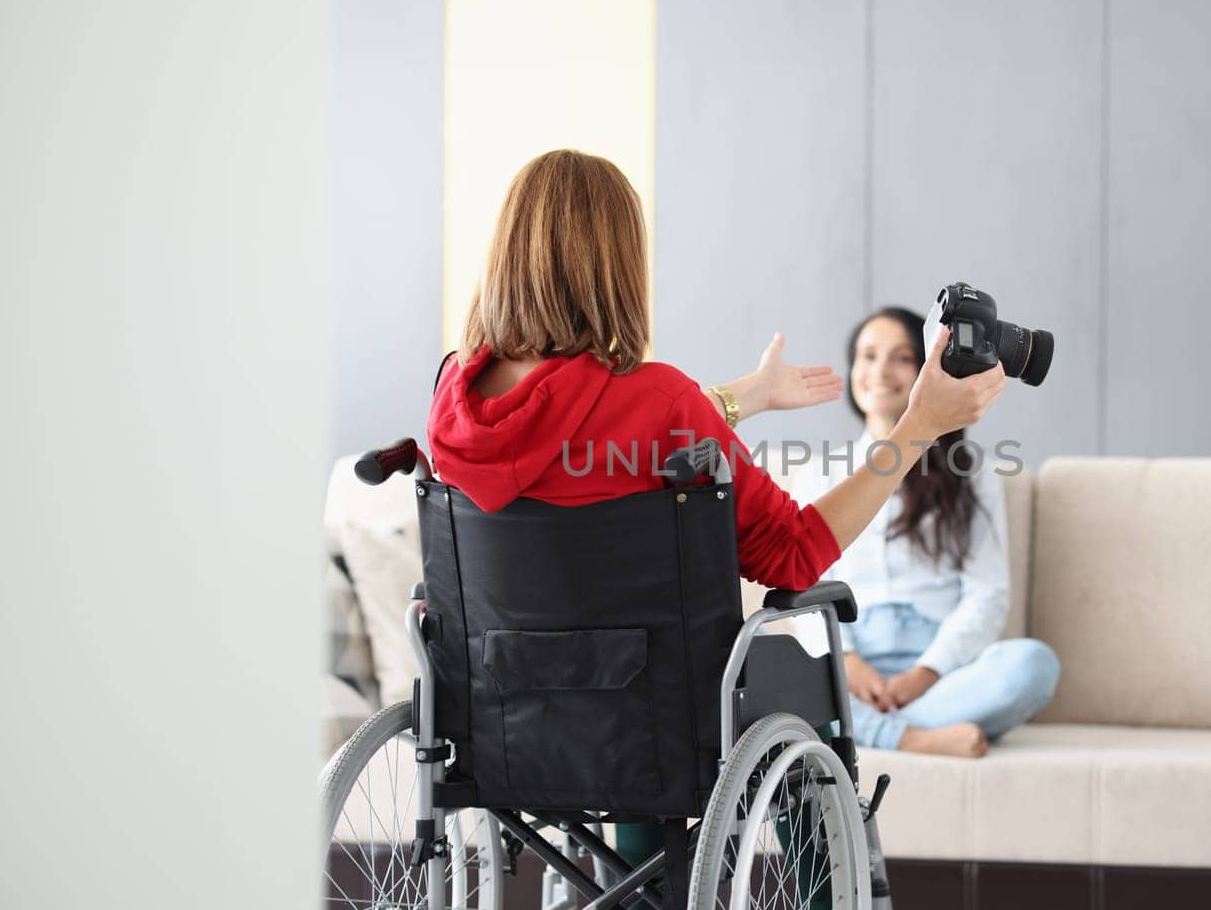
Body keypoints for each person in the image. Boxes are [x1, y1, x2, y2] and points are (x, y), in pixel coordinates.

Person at [424, 149, 1006, 902]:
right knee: (784, 692)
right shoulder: (664, 402)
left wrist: (737, 398)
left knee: (629, 705)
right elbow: (794, 554)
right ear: (617, 264)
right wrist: (919, 428)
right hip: (654, 724)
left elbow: (578, 427)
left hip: (506, 714)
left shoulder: (452, 399)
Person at [791, 308, 1059, 758]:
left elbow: (987, 594)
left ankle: (860, 730)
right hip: (846, 663)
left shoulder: (969, 472)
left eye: (899, 358)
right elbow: (804, 582)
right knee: (772, 665)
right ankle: (915, 739)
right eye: (868, 355)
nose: (880, 371)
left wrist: (924, 674)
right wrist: (850, 665)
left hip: (941, 672)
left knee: (1033, 664)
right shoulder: (822, 471)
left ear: (924, 370)